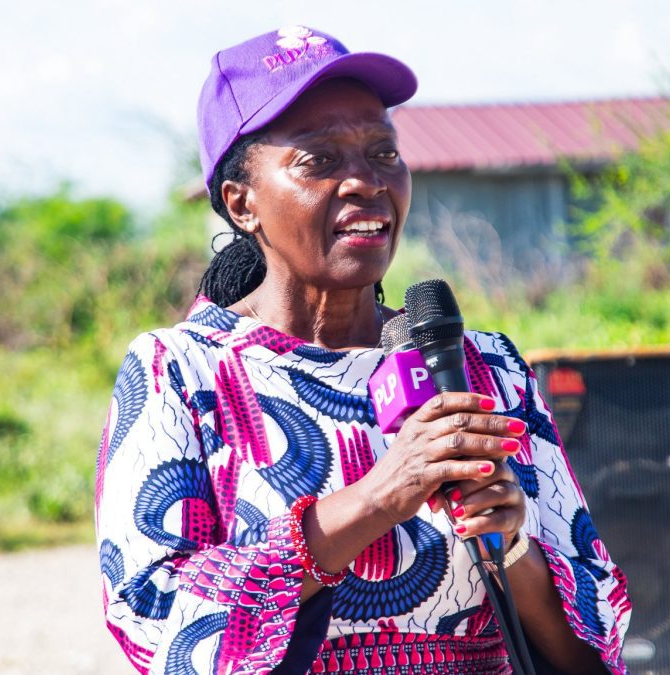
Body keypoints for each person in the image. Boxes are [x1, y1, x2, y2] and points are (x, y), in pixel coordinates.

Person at [95, 26, 631, 674]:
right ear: (242, 203)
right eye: (320, 161)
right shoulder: (181, 372)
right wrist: (379, 496)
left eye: (383, 152)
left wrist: (512, 543)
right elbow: (157, 620)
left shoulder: (483, 369)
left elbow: (590, 653)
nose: (364, 181)